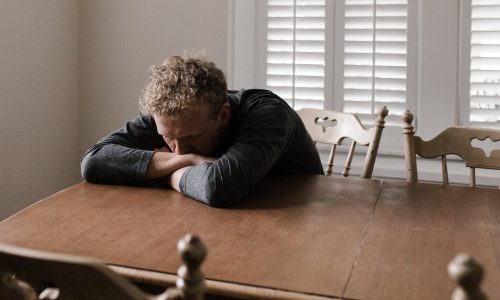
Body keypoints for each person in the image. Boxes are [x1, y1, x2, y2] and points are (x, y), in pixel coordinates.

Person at [81, 54, 323, 207]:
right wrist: (191, 160)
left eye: (192, 138)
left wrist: (168, 173)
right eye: (168, 138)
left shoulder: (268, 113)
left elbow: (220, 187)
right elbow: (93, 162)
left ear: (223, 114)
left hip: (304, 220)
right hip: (218, 217)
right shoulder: (170, 116)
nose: (178, 149)